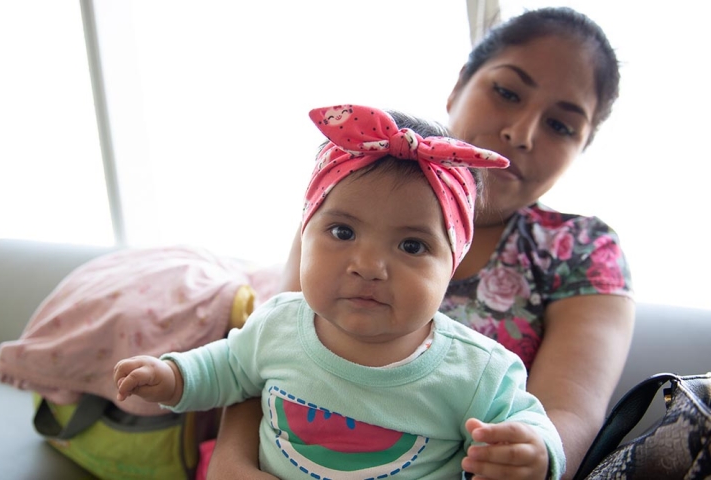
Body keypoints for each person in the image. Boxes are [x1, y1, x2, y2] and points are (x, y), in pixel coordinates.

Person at [210, 7, 635, 480]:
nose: (522, 132)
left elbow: (567, 418)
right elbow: (264, 355)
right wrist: (232, 464)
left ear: (583, 147)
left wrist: (528, 459)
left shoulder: (583, 251)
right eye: (507, 92)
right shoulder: (351, 201)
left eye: (561, 125)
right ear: (459, 86)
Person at [114, 104, 567, 479]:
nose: (368, 266)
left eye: (412, 245)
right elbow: (226, 367)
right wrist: (172, 376)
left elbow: (528, 421)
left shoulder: (478, 370)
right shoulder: (278, 324)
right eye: (343, 232)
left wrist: (534, 452)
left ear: (452, 268)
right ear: (305, 234)